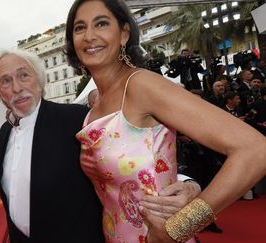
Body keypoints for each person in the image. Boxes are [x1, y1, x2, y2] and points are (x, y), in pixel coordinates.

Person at [65, 0, 266, 242]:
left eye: (101, 23)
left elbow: (256, 150)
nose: (89, 36)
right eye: (79, 28)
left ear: (124, 34)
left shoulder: (141, 85)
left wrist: (181, 226)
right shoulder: (93, 110)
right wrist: (187, 182)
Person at [0, 49, 201, 243]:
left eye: (23, 75)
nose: (17, 88)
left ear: (38, 78)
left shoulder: (77, 120)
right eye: (5, 81)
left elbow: (136, 153)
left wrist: (188, 183)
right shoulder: (0, 140)